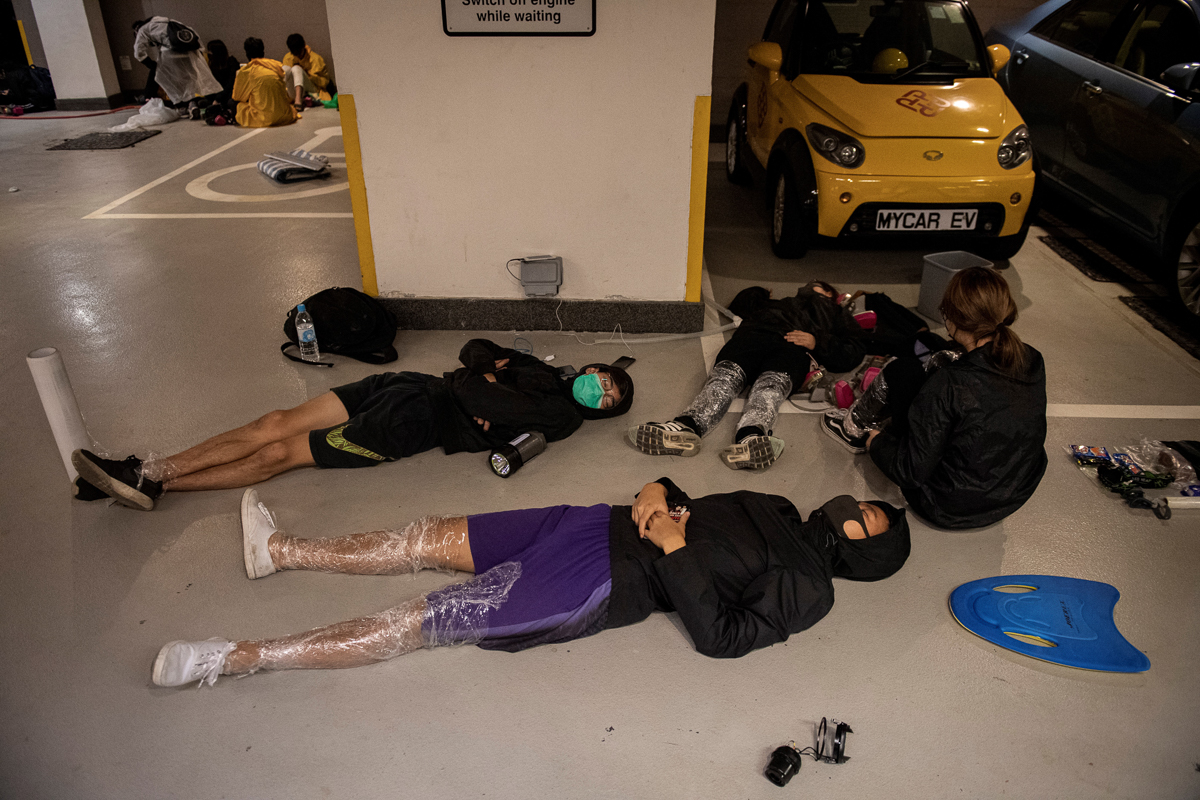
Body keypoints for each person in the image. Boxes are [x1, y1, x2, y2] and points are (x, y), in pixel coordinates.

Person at [150, 477, 911, 687]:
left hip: (602, 582)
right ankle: (280, 550)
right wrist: (656, 489)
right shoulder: (776, 504)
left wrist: (674, 549)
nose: (856, 510)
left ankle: (234, 658)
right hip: (590, 521)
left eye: (869, 522)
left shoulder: (813, 589)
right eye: (868, 506)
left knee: (416, 620)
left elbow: (724, 637)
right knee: (429, 537)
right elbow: (689, 503)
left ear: (864, 556)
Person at [72, 339, 634, 511]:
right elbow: (474, 348)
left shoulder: (561, 417)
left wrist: (483, 380)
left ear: (599, 411)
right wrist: (484, 373)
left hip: (414, 424)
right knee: (275, 420)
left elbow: (473, 379)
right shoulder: (543, 368)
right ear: (593, 367)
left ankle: (156, 483)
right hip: (408, 385)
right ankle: (144, 470)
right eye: (604, 378)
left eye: (607, 398)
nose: (599, 389)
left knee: (281, 453)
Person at [822, 267, 1047, 529]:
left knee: (903, 370)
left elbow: (910, 472)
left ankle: (855, 429)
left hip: (945, 505)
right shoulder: (1032, 358)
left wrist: (878, 443)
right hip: (1011, 495)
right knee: (932, 348)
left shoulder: (949, 383)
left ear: (952, 315)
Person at [628, 281, 884, 470]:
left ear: (831, 295)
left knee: (769, 390)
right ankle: (685, 427)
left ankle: (751, 437)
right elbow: (740, 305)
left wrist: (818, 342)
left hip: (792, 346)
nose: (809, 286)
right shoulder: (779, 303)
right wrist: (760, 293)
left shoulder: (837, 315)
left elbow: (853, 351)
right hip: (753, 336)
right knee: (724, 381)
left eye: (817, 285)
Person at [132, 17, 222, 111]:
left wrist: (151, 65)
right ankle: (199, 102)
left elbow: (138, 53)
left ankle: (180, 105)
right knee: (192, 79)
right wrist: (200, 51)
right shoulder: (169, 21)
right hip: (190, 52)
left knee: (164, 79)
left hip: (170, 53)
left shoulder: (142, 30)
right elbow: (192, 34)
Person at [231, 37, 299, 128]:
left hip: (263, 118)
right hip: (284, 114)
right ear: (263, 52)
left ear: (247, 53)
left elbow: (237, 97)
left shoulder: (246, 71)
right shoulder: (275, 66)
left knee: (232, 103)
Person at [281, 33, 334, 109]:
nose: (298, 56)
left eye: (299, 52)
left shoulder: (316, 59)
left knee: (296, 68)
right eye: (294, 54)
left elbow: (325, 82)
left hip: (312, 90)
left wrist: (307, 74)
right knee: (285, 69)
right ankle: (282, 98)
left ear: (304, 46)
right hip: (293, 92)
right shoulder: (287, 58)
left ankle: (298, 101)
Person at [204, 39, 240, 105]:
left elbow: (231, 83)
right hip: (217, 93)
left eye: (210, 51)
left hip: (229, 92)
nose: (208, 53)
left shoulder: (232, 62)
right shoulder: (212, 65)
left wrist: (218, 99)